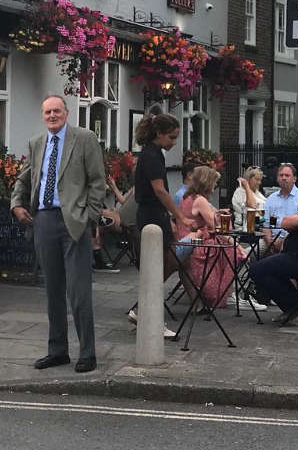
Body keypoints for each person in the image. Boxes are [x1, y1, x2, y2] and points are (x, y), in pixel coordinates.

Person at [11, 94, 106, 374]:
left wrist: (89, 216)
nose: (52, 116)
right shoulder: (37, 143)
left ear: (66, 113)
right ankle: (57, 350)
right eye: (47, 112)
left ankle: (87, 353)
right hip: (44, 221)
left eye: (57, 111)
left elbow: (97, 181)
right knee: (52, 290)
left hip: (73, 221)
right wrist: (16, 203)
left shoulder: (84, 139)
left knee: (78, 292)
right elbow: (25, 177)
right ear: (43, 115)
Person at [129, 113, 199, 337]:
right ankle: (148, 317)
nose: (174, 142)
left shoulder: (152, 154)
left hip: (154, 215)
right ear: (158, 134)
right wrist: (179, 215)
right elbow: (159, 190)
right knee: (159, 266)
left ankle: (142, 310)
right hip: (151, 217)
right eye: (172, 137)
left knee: (165, 265)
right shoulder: (152, 156)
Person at [249, 170, 298, 325]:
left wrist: (284, 232)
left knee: (257, 269)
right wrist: (271, 237)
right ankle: (289, 304)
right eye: (281, 175)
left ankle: (293, 304)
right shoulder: (272, 198)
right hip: (276, 242)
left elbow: (289, 223)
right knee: (252, 256)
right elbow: (265, 220)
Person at [176, 166, 246, 309]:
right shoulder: (200, 200)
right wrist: (237, 246)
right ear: (207, 182)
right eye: (214, 182)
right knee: (231, 252)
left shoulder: (187, 197)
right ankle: (222, 293)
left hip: (181, 242)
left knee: (227, 247)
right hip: (192, 245)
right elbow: (217, 228)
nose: (215, 185)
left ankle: (206, 298)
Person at [262, 163, 298, 253]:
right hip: (269, 240)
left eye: (287, 175)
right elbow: (266, 223)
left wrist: (281, 240)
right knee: (248, 254)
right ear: (277, 178)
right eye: (281, 175)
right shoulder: (271, 198)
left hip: (292, 240)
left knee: (280, 258)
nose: (284, 178)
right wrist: (269, 241)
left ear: (294, 179)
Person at [231, 166, 266, 230]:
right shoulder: (240, 192)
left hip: (259, 226)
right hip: (244, 228)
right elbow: (252, 206)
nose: (259, 183)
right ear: (248, 179)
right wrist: (247, 186)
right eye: (257, 179)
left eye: (260, 180)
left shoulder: (257, 192)